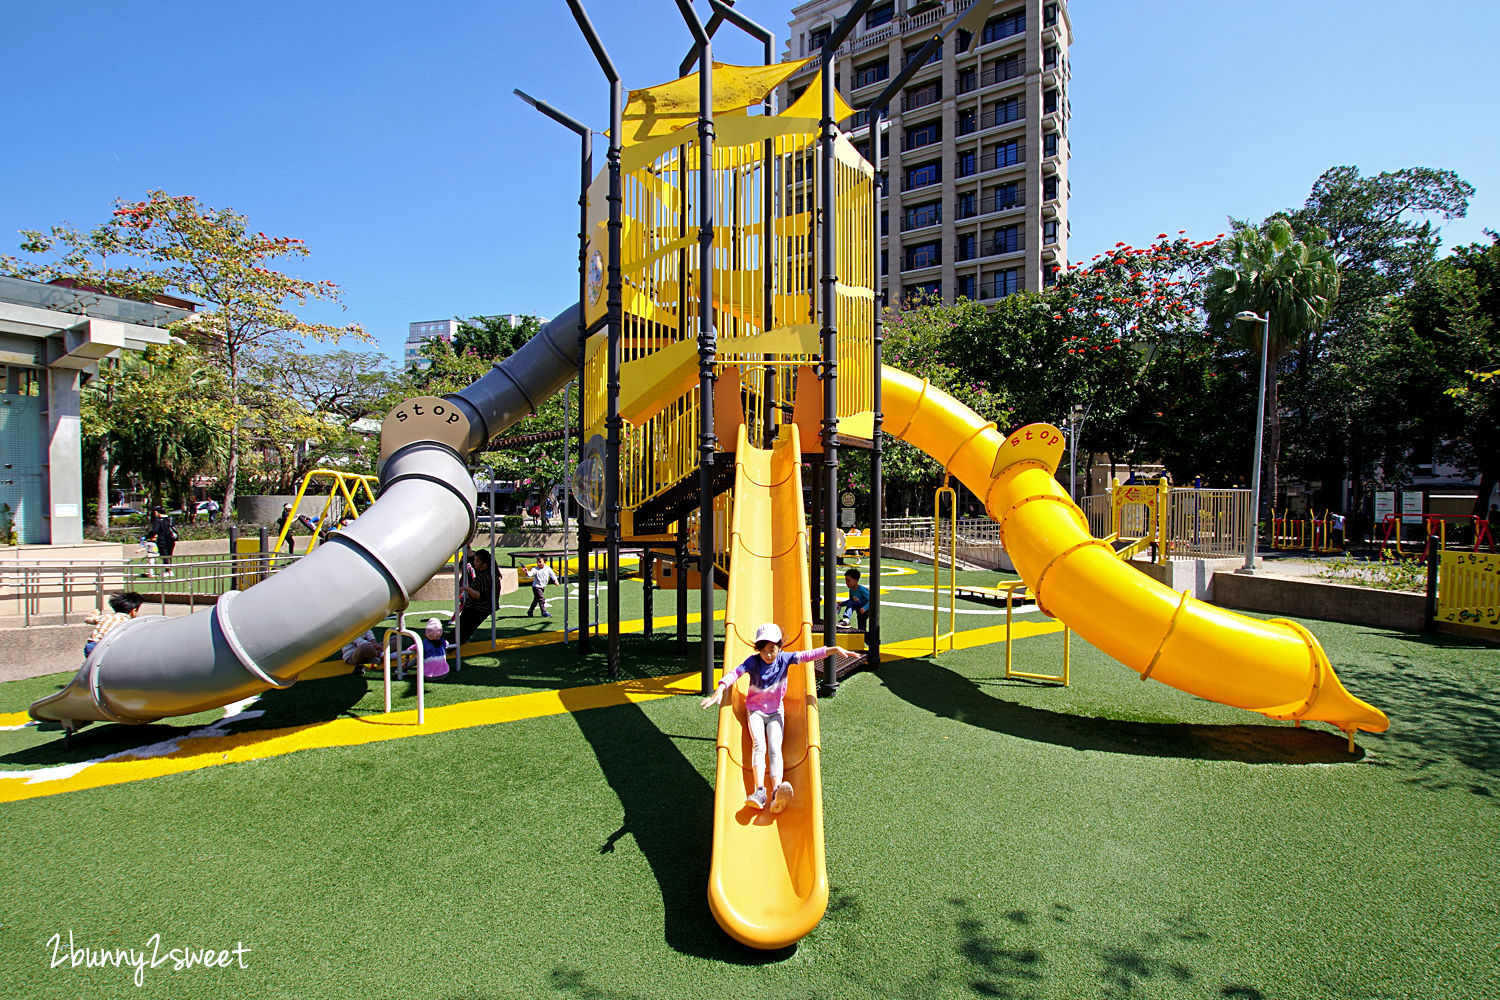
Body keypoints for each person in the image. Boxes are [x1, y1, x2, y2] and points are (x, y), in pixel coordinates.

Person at [699, 623, 855, 813]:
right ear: (758, 649)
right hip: (755, 711)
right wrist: (720, 689)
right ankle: (759, 791)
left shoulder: (784, 659)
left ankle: (776, 792)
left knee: (774, 748)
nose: (768, 655)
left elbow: (807, 655)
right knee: (759, 745)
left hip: (775, 712)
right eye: (763, 651)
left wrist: (833, 649)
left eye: (772, 649)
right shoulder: (753, 662)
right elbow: (735, 673)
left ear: (779, 647)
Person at [83, 592, 145, 658]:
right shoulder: (127, 622)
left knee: (93, 664)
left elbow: (88, 619)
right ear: (133, 611)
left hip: (91, 646)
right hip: (107, 648)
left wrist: (94, 614)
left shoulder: (105, 617)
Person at [455, 549, 495, 644]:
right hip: (474, 607)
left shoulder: (485, 576)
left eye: (477, 561)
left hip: (479, 608)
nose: (474, 563)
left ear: (484, 563)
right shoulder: (483, 574)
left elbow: (478, 596)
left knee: (462, 632)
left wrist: (466, 588)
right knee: (460, 630)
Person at [148, 506, 177, 577]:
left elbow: (154, 530)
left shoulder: (158, 520)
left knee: (164, 555)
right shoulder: (170, 518)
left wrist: (147, 537)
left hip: (162, 540)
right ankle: (169, 570)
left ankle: (168, 571)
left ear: (156, 512)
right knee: (169, 555)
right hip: (171, 539)